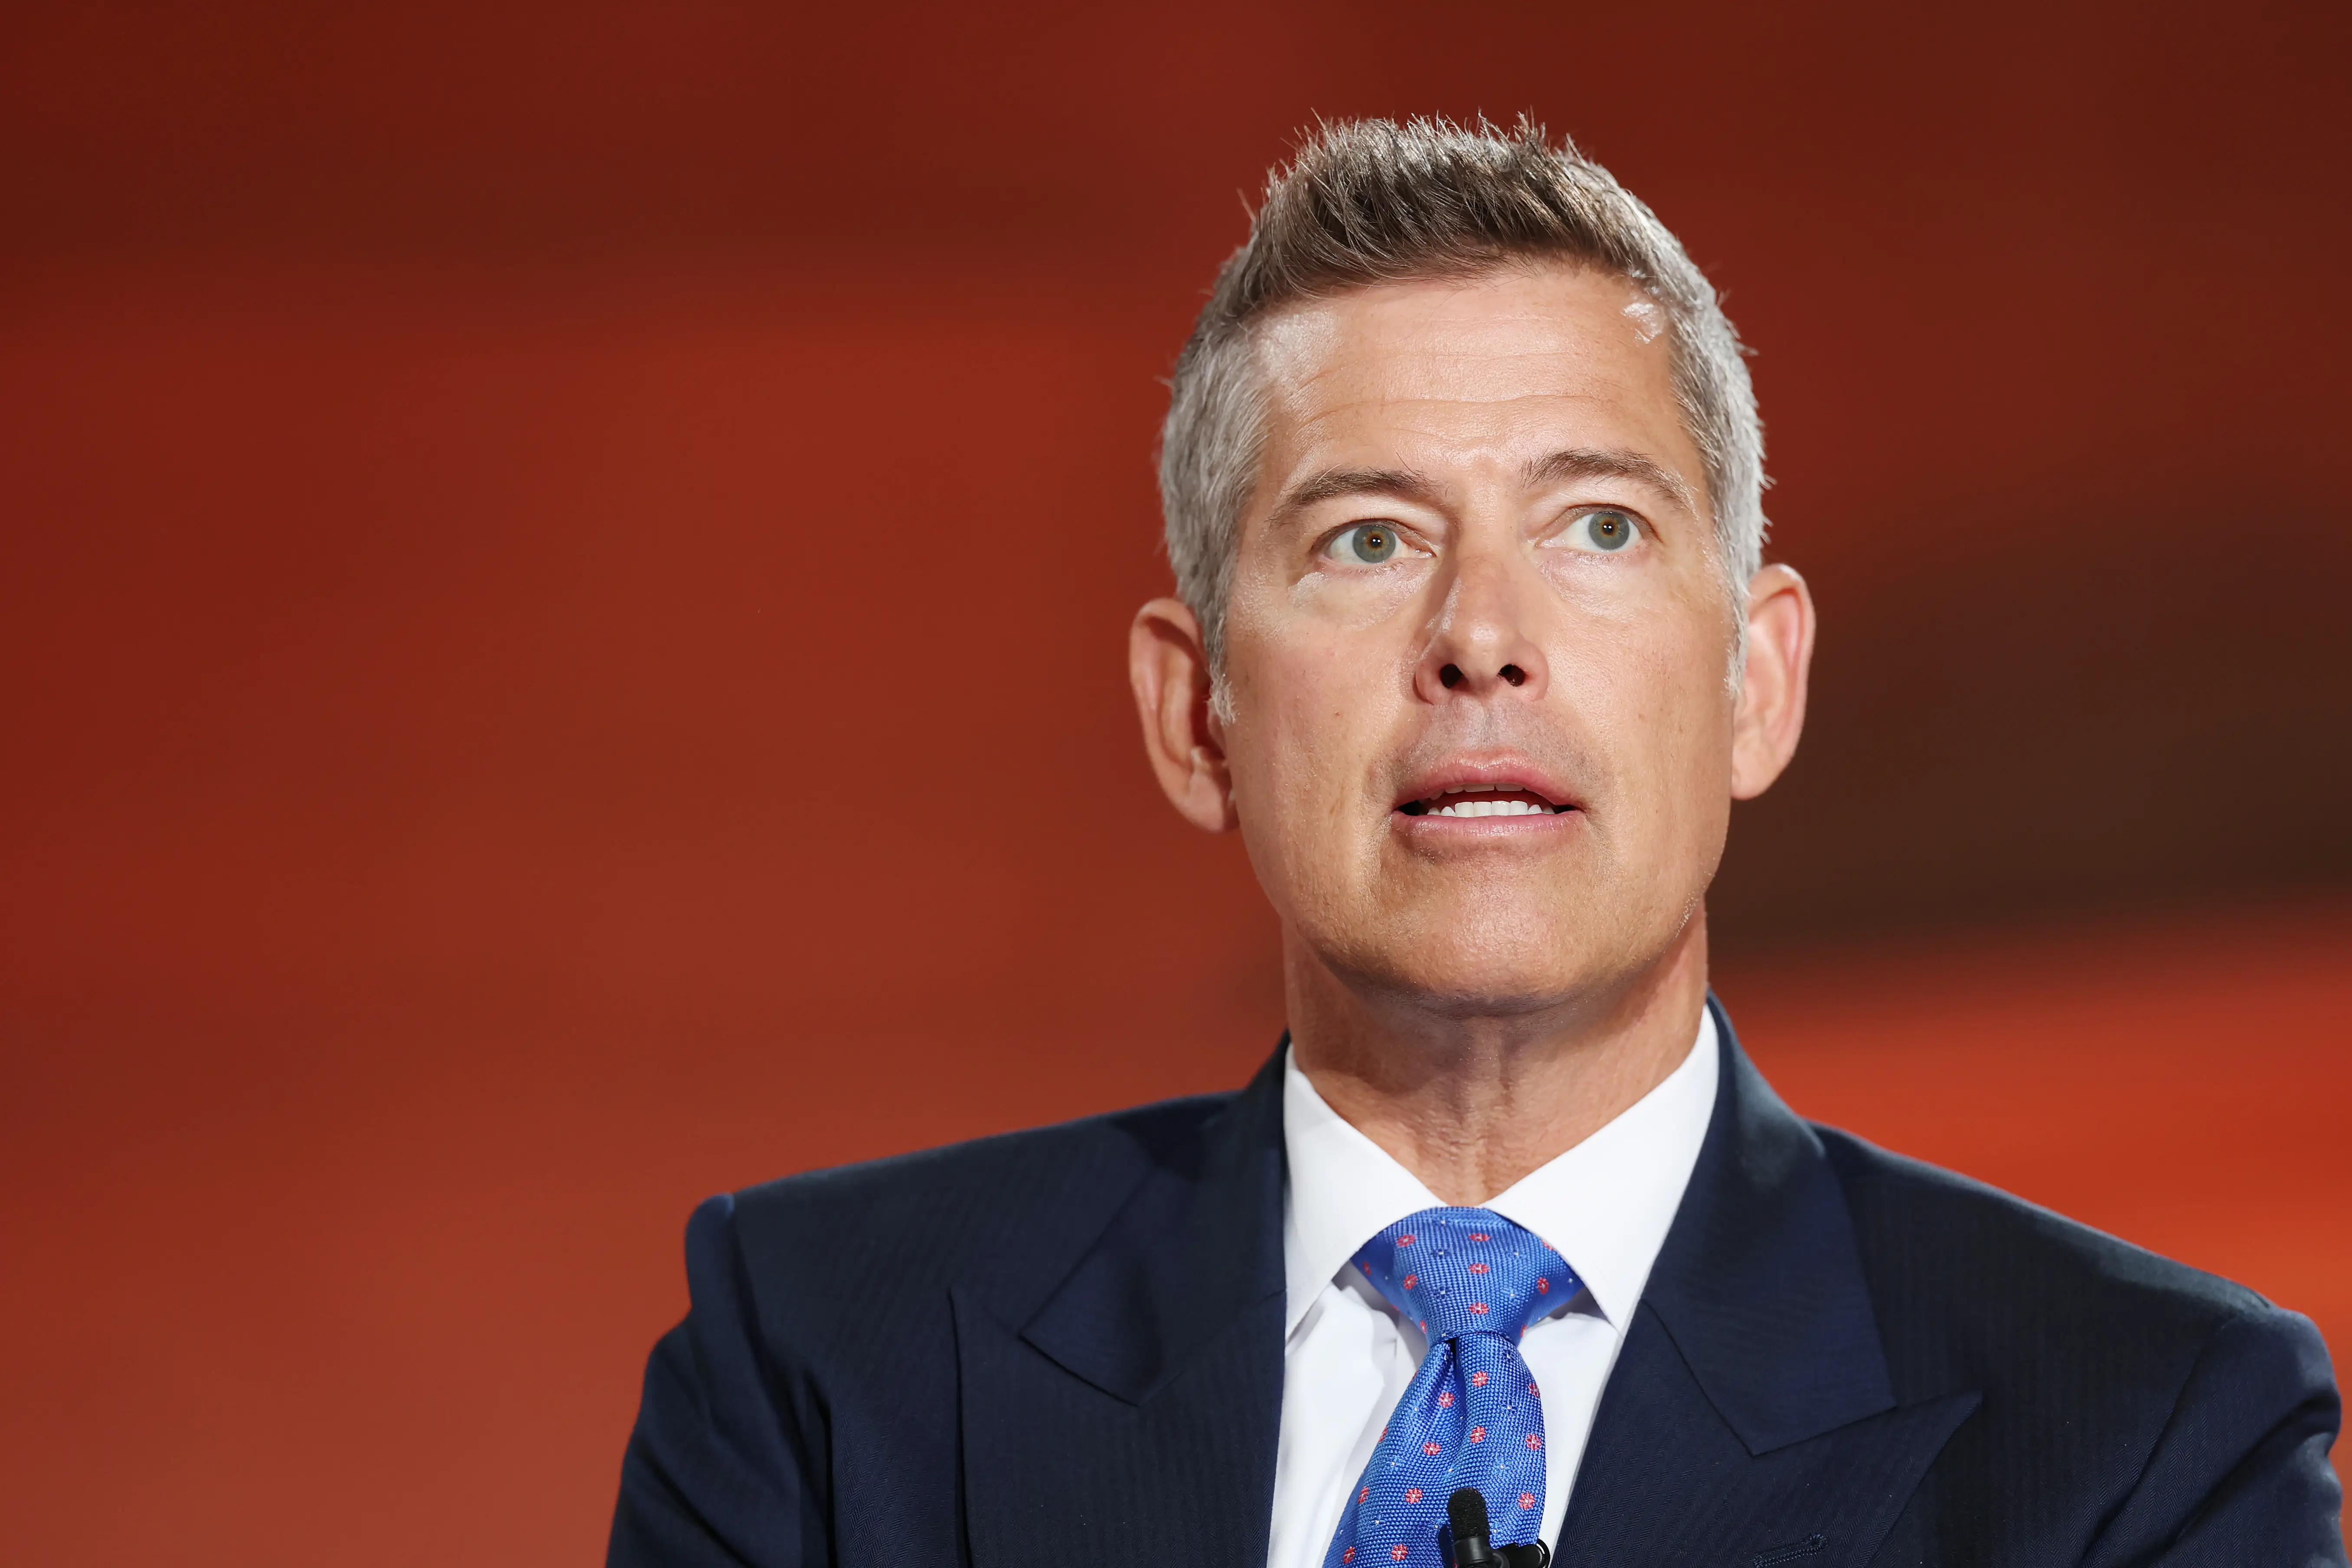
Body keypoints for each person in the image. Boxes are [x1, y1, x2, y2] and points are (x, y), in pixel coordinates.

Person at [607, 118, 2343, 1567]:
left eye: (1597, 525)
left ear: (1756, 680)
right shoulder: (825, 1365)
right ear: (1195, 713)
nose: (1482, 635)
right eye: (1368, 540)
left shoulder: (2149, 1433)